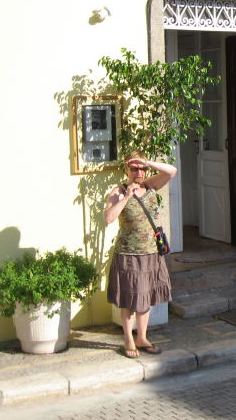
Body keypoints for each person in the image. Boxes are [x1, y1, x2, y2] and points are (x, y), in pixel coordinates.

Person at [104, 151, 177, 358]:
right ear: (126, 169)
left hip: (151, 252)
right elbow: (109, 217)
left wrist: (147, 162)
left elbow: (172, 171)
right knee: (129, 299)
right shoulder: (118, 191)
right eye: (134, 168)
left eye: (142, 168)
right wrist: (127, 196)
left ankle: (142, 338)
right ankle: (129, 338)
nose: (139, 172)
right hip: (129, 254)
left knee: (144, 297)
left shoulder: (150, 186)